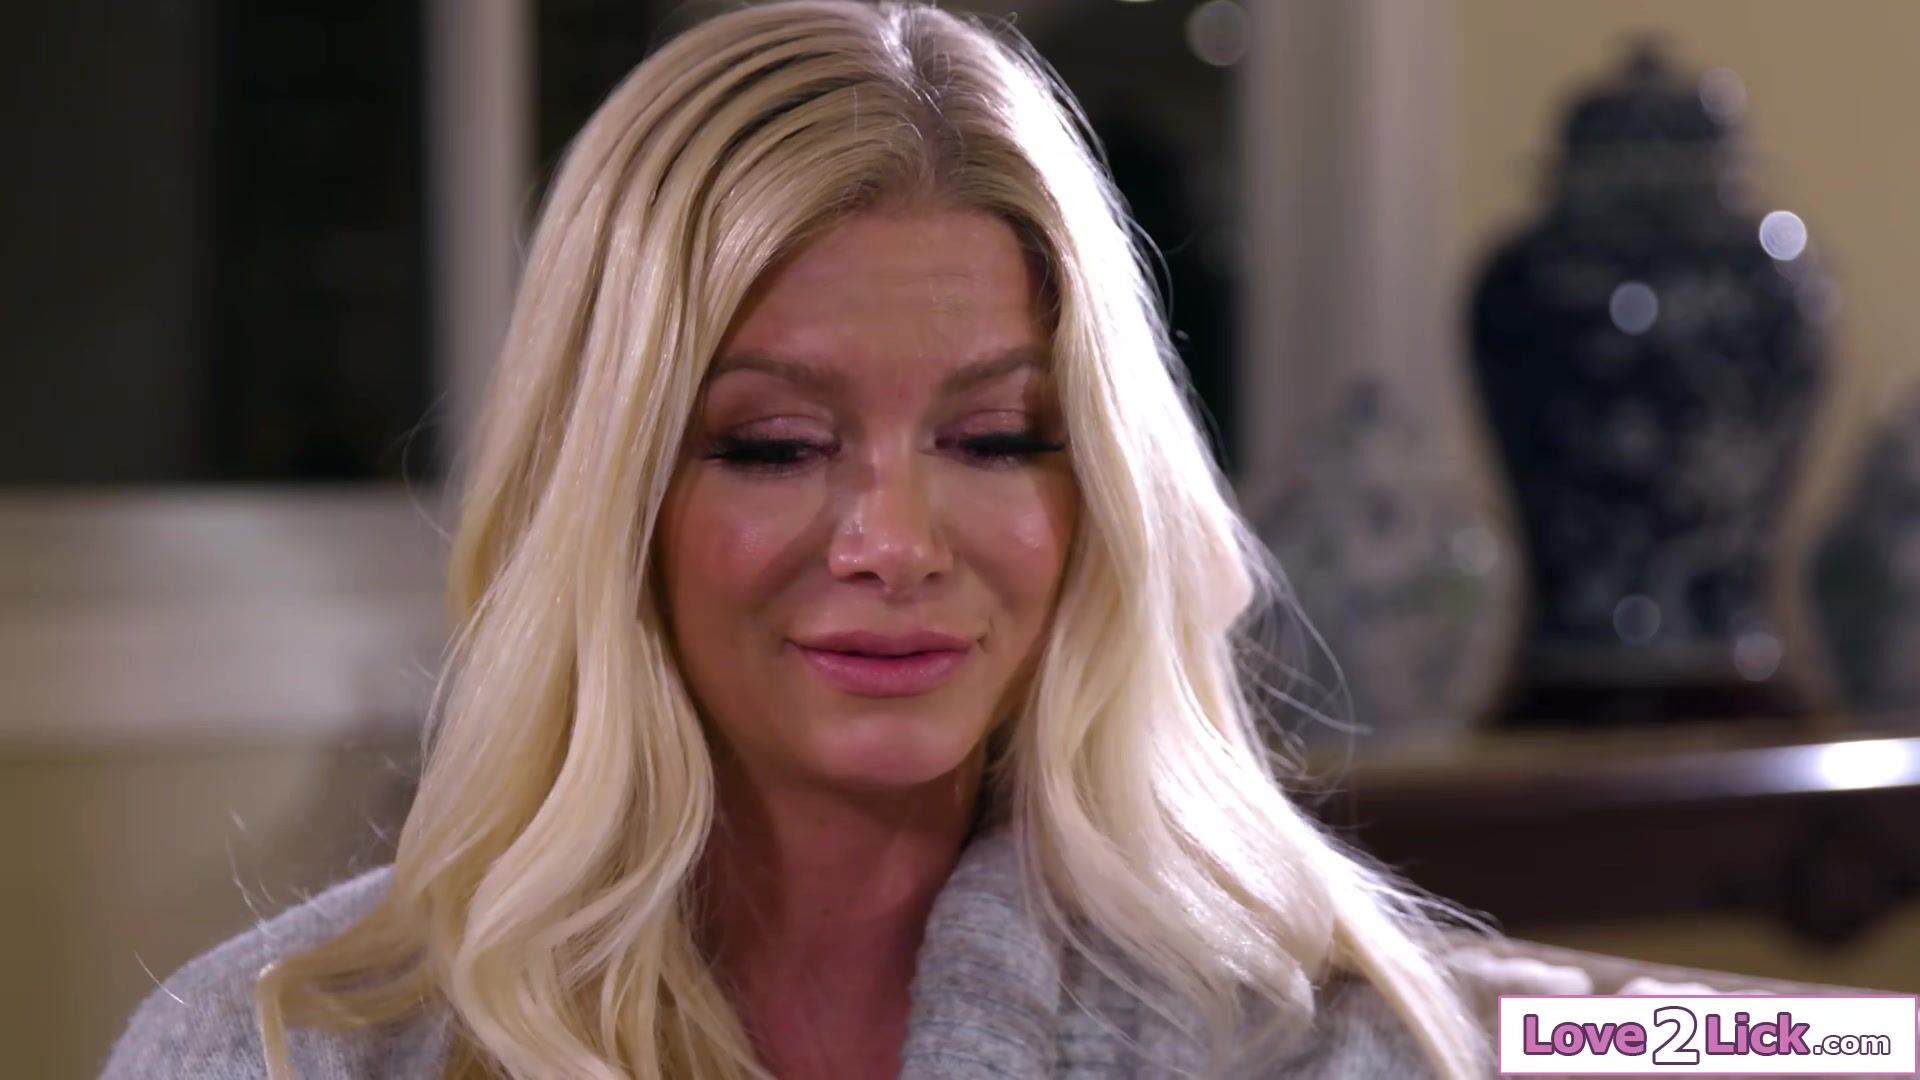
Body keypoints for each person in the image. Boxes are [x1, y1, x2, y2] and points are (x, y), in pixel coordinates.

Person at [100, 2, 1540, 1076]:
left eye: (996, 440)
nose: (894, 543)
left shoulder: (1312, 1039)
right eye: (773, 446)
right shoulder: (272, 1050)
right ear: (609, 502)